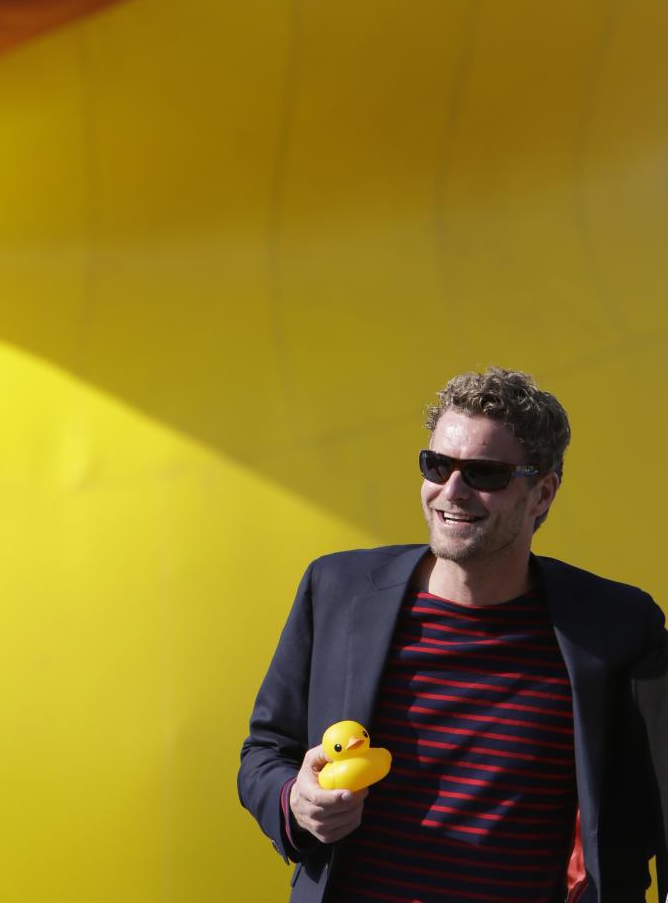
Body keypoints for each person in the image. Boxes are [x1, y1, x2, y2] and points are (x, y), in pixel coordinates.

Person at [238, 368, 666, 903]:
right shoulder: (338, 591)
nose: (452, 490)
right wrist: (295, 802)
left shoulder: (615, 626)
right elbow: (264, 751)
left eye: (485, 473)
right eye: (437, 465)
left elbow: (650, 812)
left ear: (543, 493)